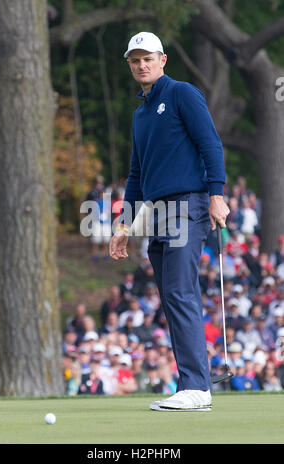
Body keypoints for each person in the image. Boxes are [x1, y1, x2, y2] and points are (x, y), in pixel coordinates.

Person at [109, 31, 229, 412]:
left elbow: (210, 143)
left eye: (148, 58)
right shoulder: (140, 114)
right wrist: (124, 225)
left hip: (189, 204)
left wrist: (217, 194)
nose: (142, 65)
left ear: (162, 60)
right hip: (158, 212)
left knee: (180, 292)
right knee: (172, 297)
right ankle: (192, 385)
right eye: (135, 60)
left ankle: (197, 388)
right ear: (129, 65)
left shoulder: (181, 93)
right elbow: (136, 173)